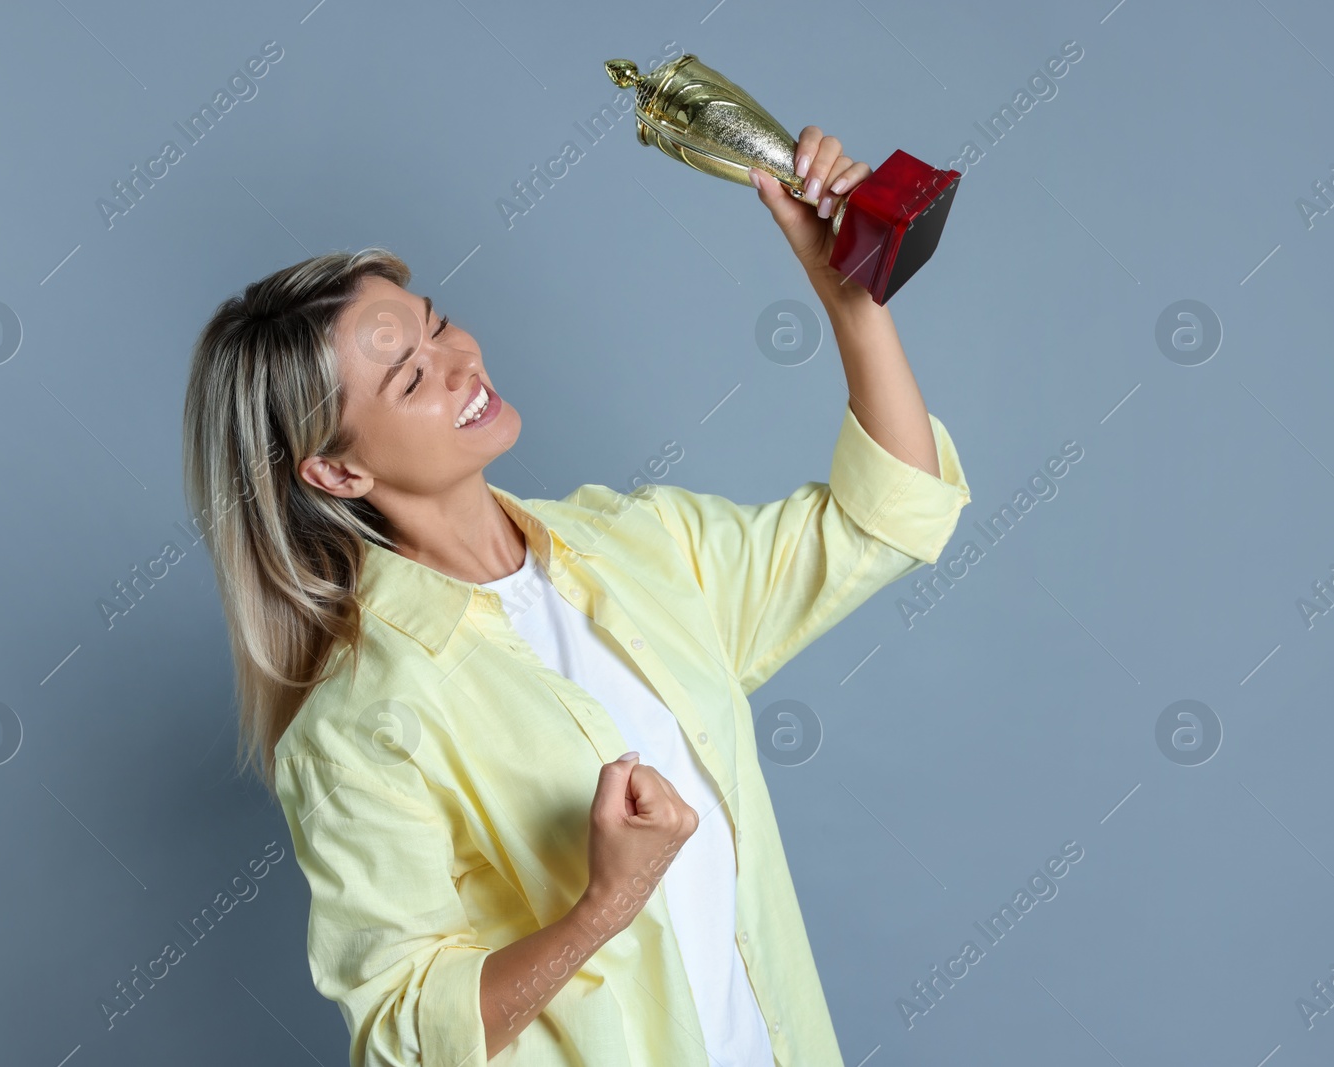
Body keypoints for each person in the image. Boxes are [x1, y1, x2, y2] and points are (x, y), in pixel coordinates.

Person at [181, 127, 972, 1066]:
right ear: (336, 471)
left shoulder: (634, 544)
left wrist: (850, 298)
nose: (461, 361)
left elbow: (887, 519)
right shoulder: (359, 725)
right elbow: (404, 1035)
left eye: (436, 324)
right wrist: (606, 902)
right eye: (410, 376)